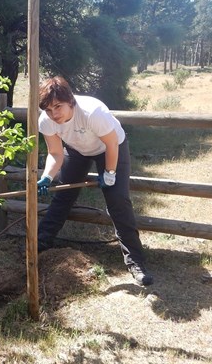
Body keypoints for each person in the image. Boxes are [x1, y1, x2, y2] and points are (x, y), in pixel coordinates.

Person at [35, 76, 153, 286]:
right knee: (64, 194)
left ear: (70, 101)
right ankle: (40, 241)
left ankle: (136, 263)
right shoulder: (46, 119)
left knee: (118, 201)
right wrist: (47, 176)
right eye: (49, 110)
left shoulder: (93, 112)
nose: (54, 114)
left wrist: (109, 173)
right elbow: (55, 153)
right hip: (77, 149)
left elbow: (112, 144)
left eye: (58, 107)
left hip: (110, 147)